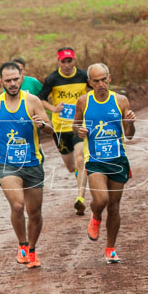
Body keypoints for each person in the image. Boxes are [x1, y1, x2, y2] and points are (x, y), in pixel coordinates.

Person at [0, 62, 51, 268]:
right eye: (8, 80)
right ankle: (22, 244)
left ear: (22, 78)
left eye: (16, 79)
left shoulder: (33, 101)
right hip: (6, 164)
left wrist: (42, 125)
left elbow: (50, 129)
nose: (13, 84)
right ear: (1, 81)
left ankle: (32, 250)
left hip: (32, 162)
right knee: (18, 204)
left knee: (35, 213)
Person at [75, 63, 136, 264]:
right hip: (95, 160)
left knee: (115, 206)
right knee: (101, 200)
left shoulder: (120, 100)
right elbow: (76, 125)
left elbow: (129, 135)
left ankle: (110, 248)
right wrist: (79, 131)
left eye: (104, 79)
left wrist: (130, 123)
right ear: (90, 82)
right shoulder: (84, 101)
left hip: (118, 159)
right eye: (96, 81)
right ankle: (95, 215)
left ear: (109, 78)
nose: (101, 84)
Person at [39, 48, 90, 216]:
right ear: (58, 61)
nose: (67, 65)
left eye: (70, 61)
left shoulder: (83, 76)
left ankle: (80, 198)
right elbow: (41, 99)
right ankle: (79, 181)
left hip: (78, 125)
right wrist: (53, 108)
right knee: (71, 166)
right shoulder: (52, 79)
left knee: (81, 158)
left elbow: (96, 90)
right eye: (64, 61)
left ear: (74, 61)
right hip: (60, 128)